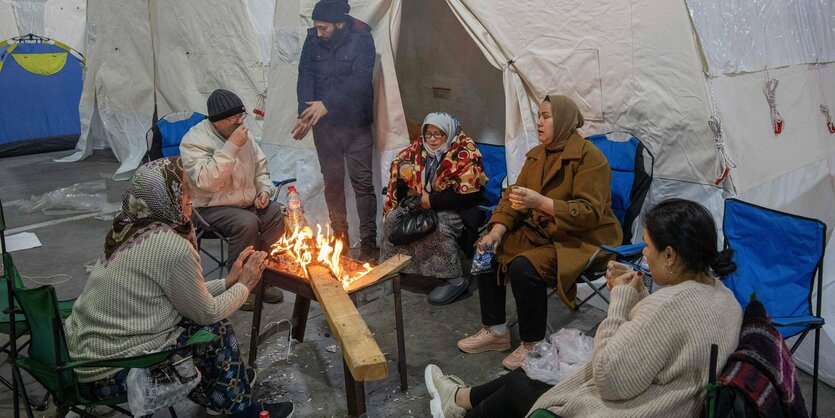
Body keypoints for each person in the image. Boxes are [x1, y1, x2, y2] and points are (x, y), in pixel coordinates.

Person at [426, 198, 744, 418]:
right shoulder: (726, 300)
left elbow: (611, 379)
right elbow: (666, 341)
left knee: (526, 383)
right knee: (535, 371)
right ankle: (460, 398)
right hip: (673, 399)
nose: (644, 254)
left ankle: (459, 403)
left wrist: (620, 300)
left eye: (647, 245)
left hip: (646, 407)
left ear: (671, 256)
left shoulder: (587, 159)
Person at [64, 158, 294, 417]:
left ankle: (223, 390)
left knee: (197, 326)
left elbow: (183, 293)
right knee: (214, 331)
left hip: (77, 361)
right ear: (165, 196)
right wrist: (245, 285)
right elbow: (205, 312)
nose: (190, 197)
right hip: (113, 370)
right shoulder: (171, 245)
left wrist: (228, 282)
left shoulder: (127, 227)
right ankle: (244, 409)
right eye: (183, 189)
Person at [457, 95, 622, 370]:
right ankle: (496, 330)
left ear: (565, 120)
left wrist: (542, 203)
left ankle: (533, 346)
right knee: (486, 248)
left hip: (578, 240)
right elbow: (514, 198)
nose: (539, 122)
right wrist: (496, 232)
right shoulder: (538, 155)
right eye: (539, 116)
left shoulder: (591, 159)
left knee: (525, 267)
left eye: (546, 116)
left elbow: (590, 214)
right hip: (541, 233)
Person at [180, 88, 284, 309]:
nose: (240, 122)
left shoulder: (243, 135)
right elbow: (207, 182)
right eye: (234, 118)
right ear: (217, 123)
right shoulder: (194, 141)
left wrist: (264, 190)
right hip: (209, 207)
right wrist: (232, 146)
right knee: (246, 222)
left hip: (244, 203)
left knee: (278, 212)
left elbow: (261, 170)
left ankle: (262, 278)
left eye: (241, 116)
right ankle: (240, 286)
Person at [291, 0, 378, 261]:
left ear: (340, 24)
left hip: (356, 125)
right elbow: (305, 74)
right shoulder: (313, 40)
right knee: (332, 183)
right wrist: (305, 114)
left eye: (323, 28)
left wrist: (327, 104)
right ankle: (340, 238)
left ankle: (369, 241)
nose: (318, 32)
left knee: (362, 184)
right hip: (326, 129)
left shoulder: (362, 37)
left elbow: (361, 81)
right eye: (316, 27)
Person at [379, 112, 488, 305]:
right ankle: (394, 267)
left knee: (437, 229)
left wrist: (432, 201)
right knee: (393, 220)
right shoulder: (417, 150)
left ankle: (454, 280)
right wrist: (410, 188)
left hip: (455, 209)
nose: (432, 139)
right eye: (428, 134)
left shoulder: (465, 153)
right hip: (421, 203)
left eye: (439, 134)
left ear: (450, 133)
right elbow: (400, 177)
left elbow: (469, 194)